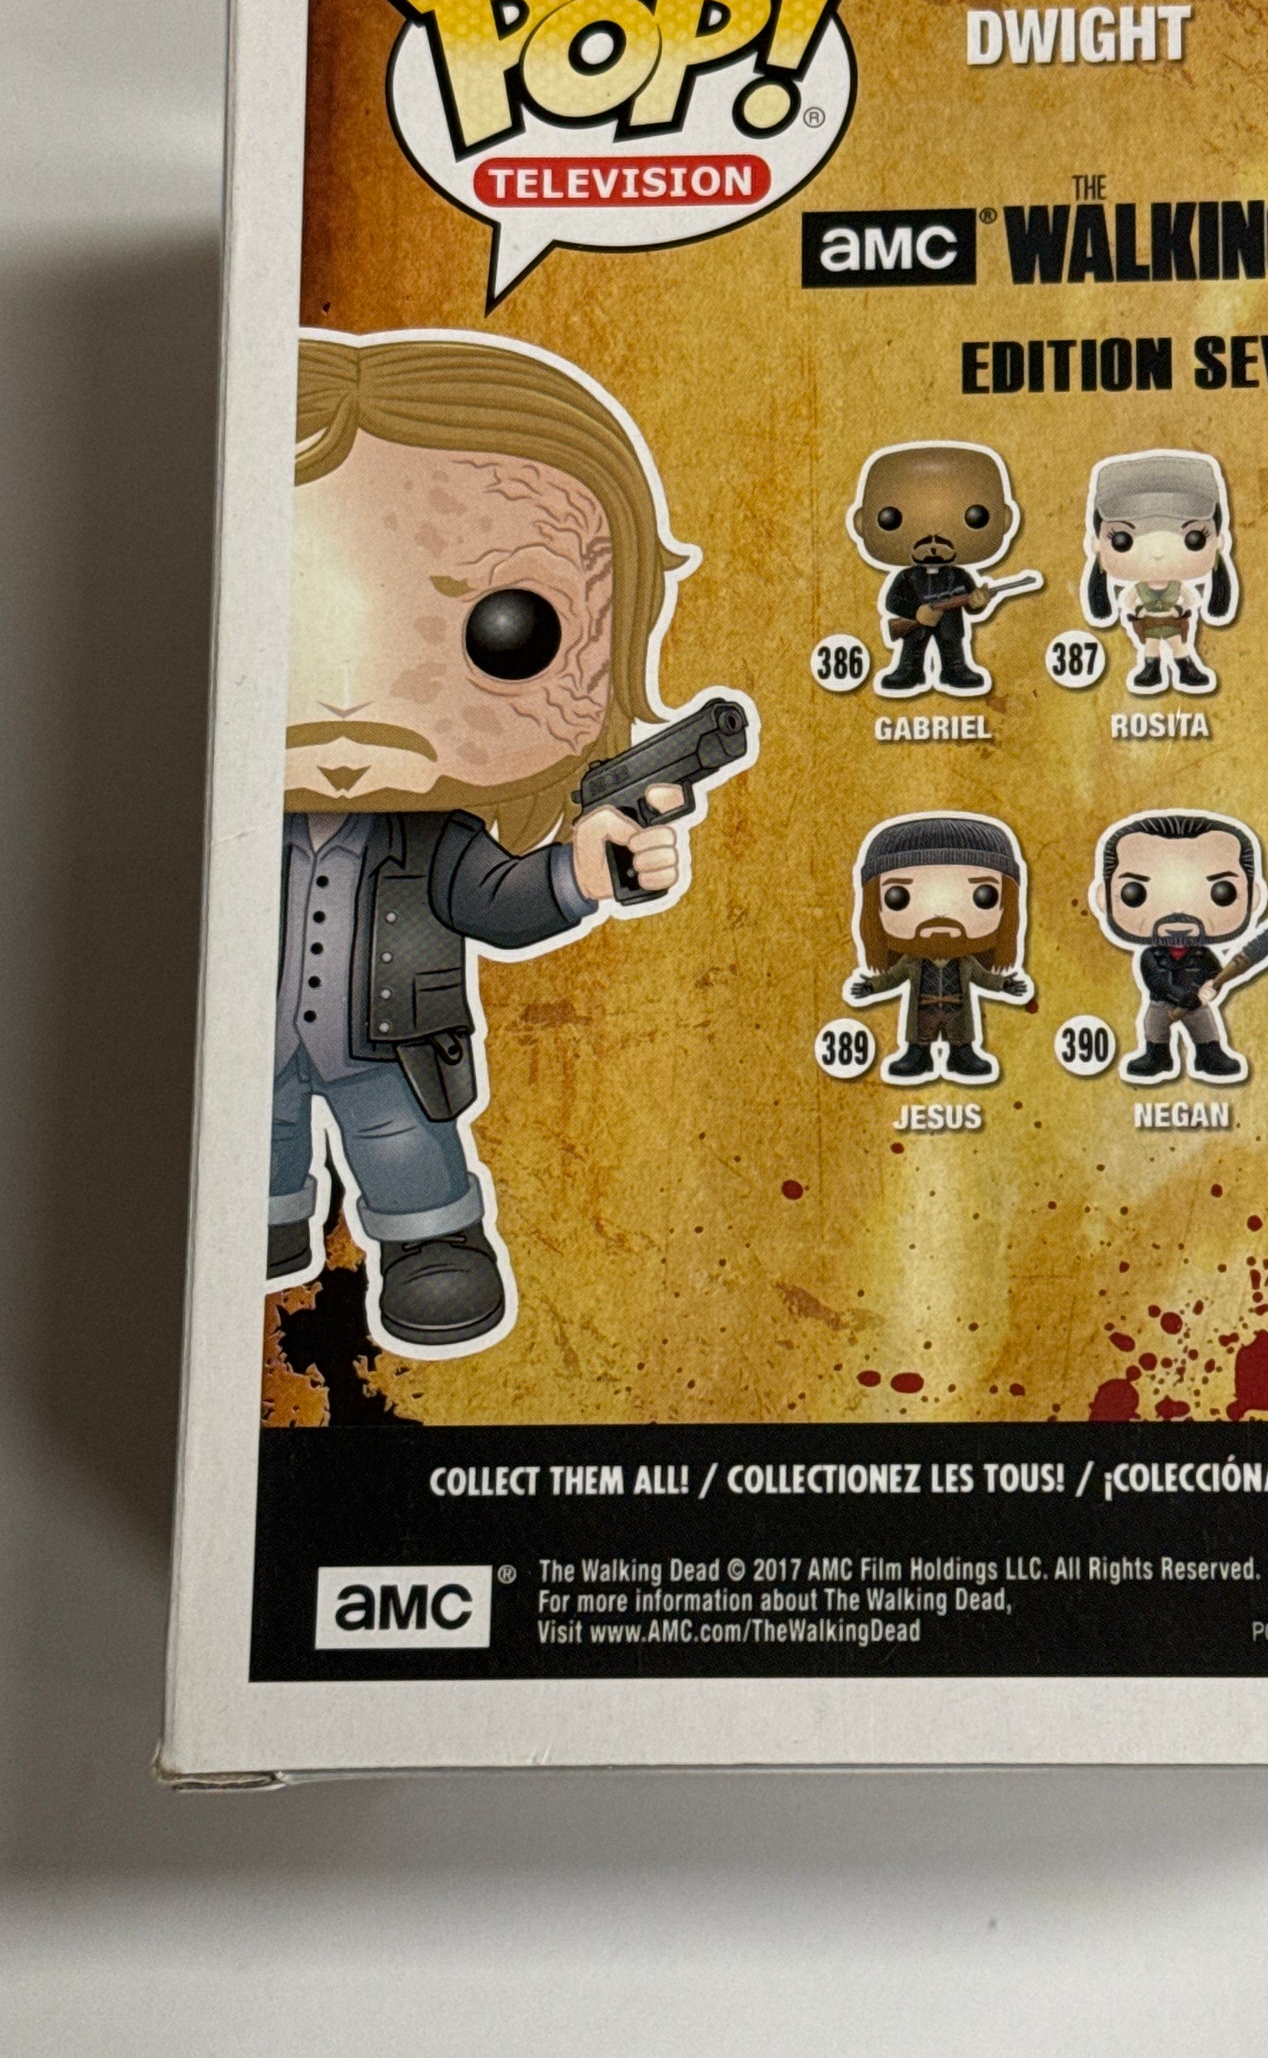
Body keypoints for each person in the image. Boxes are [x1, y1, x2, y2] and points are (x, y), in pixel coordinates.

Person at [273, 328, 748, 1354]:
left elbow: (496, 900)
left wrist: (580, 870)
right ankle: (260, 1215)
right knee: (253, 1137)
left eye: (508, 626)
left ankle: (432, 1245)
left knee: (405, 1147)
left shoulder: (433, 842)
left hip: (389, 1048)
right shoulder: (234, 837)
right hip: (248, 1046)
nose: (352, 701)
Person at [1090, 811, 1268, 1084]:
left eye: (1222, 891)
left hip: (1197, 1003)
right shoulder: (1151, 955)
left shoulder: (1202, 954)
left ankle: (1210, 1055)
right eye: (1134, 892)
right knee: (1155, 1027)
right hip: (1163, 1004)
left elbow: (1215, 972)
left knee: (1205, 1028)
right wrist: (1181, 996)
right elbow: (1156, 980)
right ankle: (1157, 1056)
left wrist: (1211, 987)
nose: (1178, 924)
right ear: (1104, 898)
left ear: (1252, 896)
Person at [844, 814, 1031, 1083]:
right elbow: (892, 977)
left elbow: (983, 977)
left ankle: (961, 1055)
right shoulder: (912, 961)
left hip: (957, 1009)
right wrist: (871, 987)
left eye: (983, 895)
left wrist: (1004, 985)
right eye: (898, 897)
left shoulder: (965, 962)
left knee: (960, 1036)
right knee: (921, 1036)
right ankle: (918, 1055)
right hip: (924, 1010)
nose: (941, 912)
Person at [846, 441, 1040, 696]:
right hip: (916, 625)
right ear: (861, 523)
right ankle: (909, 671)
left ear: (1005, 519)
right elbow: (893, 601)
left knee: (953, 652)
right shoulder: (908, 576)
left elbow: (971, 603)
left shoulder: (957, 576)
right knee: (911, 652)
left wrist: (978, 601)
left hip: (949, 625)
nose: (933, 545)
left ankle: (954, 671)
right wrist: (916, 612)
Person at [1081, 450, 1237, 693]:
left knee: (1178, 645)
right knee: (1151, 647)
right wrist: (1138, 611)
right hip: (1150, 623)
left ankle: (1185, 669)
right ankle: (1151, 670)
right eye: (1123, 540)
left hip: (1172, 622)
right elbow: (1129, 602)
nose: (1157, 552)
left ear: (1219, 541)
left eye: (1193, 538)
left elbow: (1189, 599)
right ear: (1096, 544)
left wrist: (1180, 610)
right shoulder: (1138, 590)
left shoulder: (1178, 588)